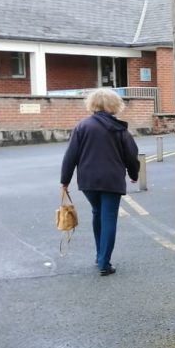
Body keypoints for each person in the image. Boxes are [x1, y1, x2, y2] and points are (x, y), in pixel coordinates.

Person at [60, 88, 141, 276]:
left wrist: (64, 180)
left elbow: (70, 156)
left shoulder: (82, 126)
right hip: (112, 180)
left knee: (97, 213)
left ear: (93, 104)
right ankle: (105, 262)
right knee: (109, 217)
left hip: (88, 181)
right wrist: (134, 173)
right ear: (114, 105)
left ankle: (99, 255)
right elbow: (131, 154)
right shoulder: (119, 128)